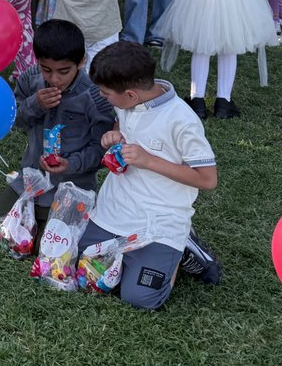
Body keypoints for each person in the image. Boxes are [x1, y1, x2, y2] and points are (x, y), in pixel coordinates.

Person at [81, 41, 221, 309]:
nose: (102, 97)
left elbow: (207, 179)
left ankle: (182, 247)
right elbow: (123, 122)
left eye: (106, 93)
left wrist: (149, 160)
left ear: (131, 95)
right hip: (115, 210)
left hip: (158, 220)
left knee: (140, 299)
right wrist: (116, 135)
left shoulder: (183, 121)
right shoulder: (128, 101)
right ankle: (155, 256)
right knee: (85, 273)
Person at [0, 20, 115, 243]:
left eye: (64, 71)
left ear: (81, 62)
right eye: (47, 70)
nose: (54, 79)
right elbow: (15, 121)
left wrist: (71, 164)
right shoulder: (29, 79)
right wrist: (35, 104)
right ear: (38, 60)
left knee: (51, 249)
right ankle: (38, 216)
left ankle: (55, 222)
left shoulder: (94, 95)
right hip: (32, 177)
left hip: (72, 186)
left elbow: (99, 150)